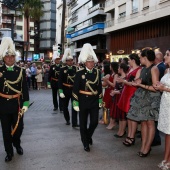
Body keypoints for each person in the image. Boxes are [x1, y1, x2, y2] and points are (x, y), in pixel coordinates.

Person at [127, 49, 161, 157]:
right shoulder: (142, 69)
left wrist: (141, 85)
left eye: (140, 57)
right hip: (143, 98)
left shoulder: (154, 69)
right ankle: (143, 146)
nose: (139, 59)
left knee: (150, 123)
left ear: (145, 58)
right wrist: (137, 83)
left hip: (151, 99)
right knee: (143, 123)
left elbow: (155, 88)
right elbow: (138, 82)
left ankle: (147, 147)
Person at [0, 37, 29, 162]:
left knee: (19, 128)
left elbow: (24, 88)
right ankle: (9, 151)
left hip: (17, 104)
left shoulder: (20, 71)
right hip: (3, 105)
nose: (10, 59)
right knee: (6, 130)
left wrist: (25, 103)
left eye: (12, 56)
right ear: (3, 58)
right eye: (7, 57)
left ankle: (16, 144)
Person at [72, 43, 102, 152]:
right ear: (85, 62)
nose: (91, 63)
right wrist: (75, 102)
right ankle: (85, 142)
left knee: (94, 122)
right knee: (83, 123)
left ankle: (88, 136)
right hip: (83, 100)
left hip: (94, 100)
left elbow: (99, 87)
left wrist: (100, 99)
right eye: (89, 62)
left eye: (92, 61)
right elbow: (75, 89)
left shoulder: (97, 72)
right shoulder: (80, 73)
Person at [116, 53, 141, 146]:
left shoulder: (139, 70)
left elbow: (135, 83)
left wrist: (123, 81)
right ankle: (129, 135)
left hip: (132, 93)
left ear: (133, 60)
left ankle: (132, 136)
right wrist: (123, 82)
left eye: (129, 60)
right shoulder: (131, 69)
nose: (128, 62)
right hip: (127, 93)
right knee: (128, 116)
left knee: (132, 116)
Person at [154, 49, 170, 169]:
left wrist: (164, 88)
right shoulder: (166, 70)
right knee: (167, 134)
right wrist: (159, 85)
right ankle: (166, 158)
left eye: (168, 55)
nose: (165, 56)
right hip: (165, 104)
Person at [58, 48, 78, 126]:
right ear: (66, 62)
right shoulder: (62, 69)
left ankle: (74, 122)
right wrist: (60, 91)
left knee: (75, 106)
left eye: (71, 60)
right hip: (65, 89)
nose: (70, 62)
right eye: (69, 60)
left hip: (73, 90)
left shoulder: (75, 69)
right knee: (65, 106)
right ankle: (67, 119)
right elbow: (60, 81)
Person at [151, 51, 166, 147]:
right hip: (162, 94)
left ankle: (156, 138)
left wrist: (161, 87)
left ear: (157, 58)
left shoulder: (160, 67)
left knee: (155, 119)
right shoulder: (164, 68)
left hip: (161, 94)